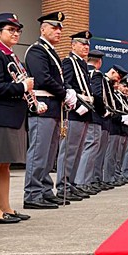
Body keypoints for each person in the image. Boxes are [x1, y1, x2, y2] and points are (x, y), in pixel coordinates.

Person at [0, 13, 37, 224]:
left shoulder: (10, 55)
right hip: (0, 115)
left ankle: (4, 207)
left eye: (18, 30)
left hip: (12, 115)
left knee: (4, 164)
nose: (16, 34)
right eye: (11, 30)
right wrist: (23, 86)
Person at [22, 11, 73, 210]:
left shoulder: (50, 51)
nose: (58, 31)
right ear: (43, 29)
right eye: (54, 27)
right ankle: (32, 194)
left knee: (49, 153)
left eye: (60, 28)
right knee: (38, 152)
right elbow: (43, 78)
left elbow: (58, 78)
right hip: (42, 106)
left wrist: (67, 90)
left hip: (53, 107)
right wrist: (64, 93)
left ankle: (44, 190)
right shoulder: (37, 50)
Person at [58, 31, 95, 200]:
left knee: (78, 151)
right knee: (69, 151)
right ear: (73, 45)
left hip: (85, 111)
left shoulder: (82, 64)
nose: (86, 47)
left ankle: (71, 184)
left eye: (87, 44)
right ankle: (63, 187)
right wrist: (78, 105)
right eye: (82, 44)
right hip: (74, 111)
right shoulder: (69, 61)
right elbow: (66, 84)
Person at [76, 49, 108, 192]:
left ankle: (81, 181)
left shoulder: (83, 71)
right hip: (94, 115)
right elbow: (97, 95)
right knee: (91, 148)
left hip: (83, 113)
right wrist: (102, 111)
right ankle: (83, 182)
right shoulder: (96, 74)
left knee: (83, 148)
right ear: (99, 62)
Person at [101, 66, 128, 187]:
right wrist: (120, 118)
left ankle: (113, 176)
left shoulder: (114, 92)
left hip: (117, 127)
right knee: (109, 154)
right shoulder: (103, 82)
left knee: (115, 154)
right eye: (118, 79)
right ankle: (107, 178)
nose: (117, 82)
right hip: (111, 124)